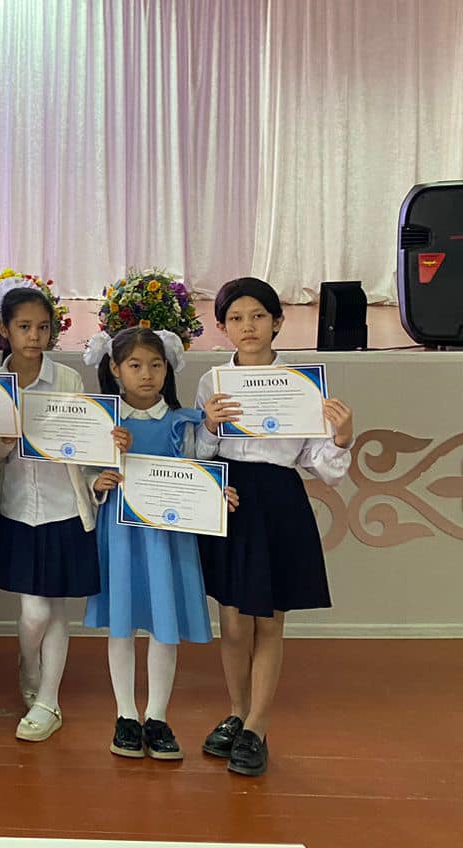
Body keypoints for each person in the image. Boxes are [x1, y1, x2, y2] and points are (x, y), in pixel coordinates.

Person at [195, 277, 355, 778]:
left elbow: (321, 465)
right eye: (236, 318)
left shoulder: (301, 384)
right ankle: (237, 712)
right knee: (233, 621)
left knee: (269, 621)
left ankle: (258, 726)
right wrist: (209, 426)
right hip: (229, 499)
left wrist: (341, 438)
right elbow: (198, 453)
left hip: (279, 502)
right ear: (222, 327)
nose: (248, 326)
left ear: (278, 322)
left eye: (258, 316)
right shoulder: (212, 381)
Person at [85, 328, 238, 762]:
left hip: (169, 537)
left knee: (162, 624)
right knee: (122, 623)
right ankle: (125, 715)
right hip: (121, 534)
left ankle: (157, 716)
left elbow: (198, 466)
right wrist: (98, 483)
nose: (147, 374)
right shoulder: (104, 421)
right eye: (135, 365)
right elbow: (86, 472)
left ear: (168, 369)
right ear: (115, 369)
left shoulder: (182, 421)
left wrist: (214, 492)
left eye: (156, 365)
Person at [0, 286, 101, 744]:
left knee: (55, 610)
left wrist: (98, 465)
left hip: (64, 509)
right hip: (17, 510)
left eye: (42, 327)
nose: (34, 336)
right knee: (34, 611)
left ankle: (48, 700)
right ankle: (30, 668)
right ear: (5, 329)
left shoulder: (68, 380)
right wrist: (4, 443)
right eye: (23, 327)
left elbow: (86, 443)